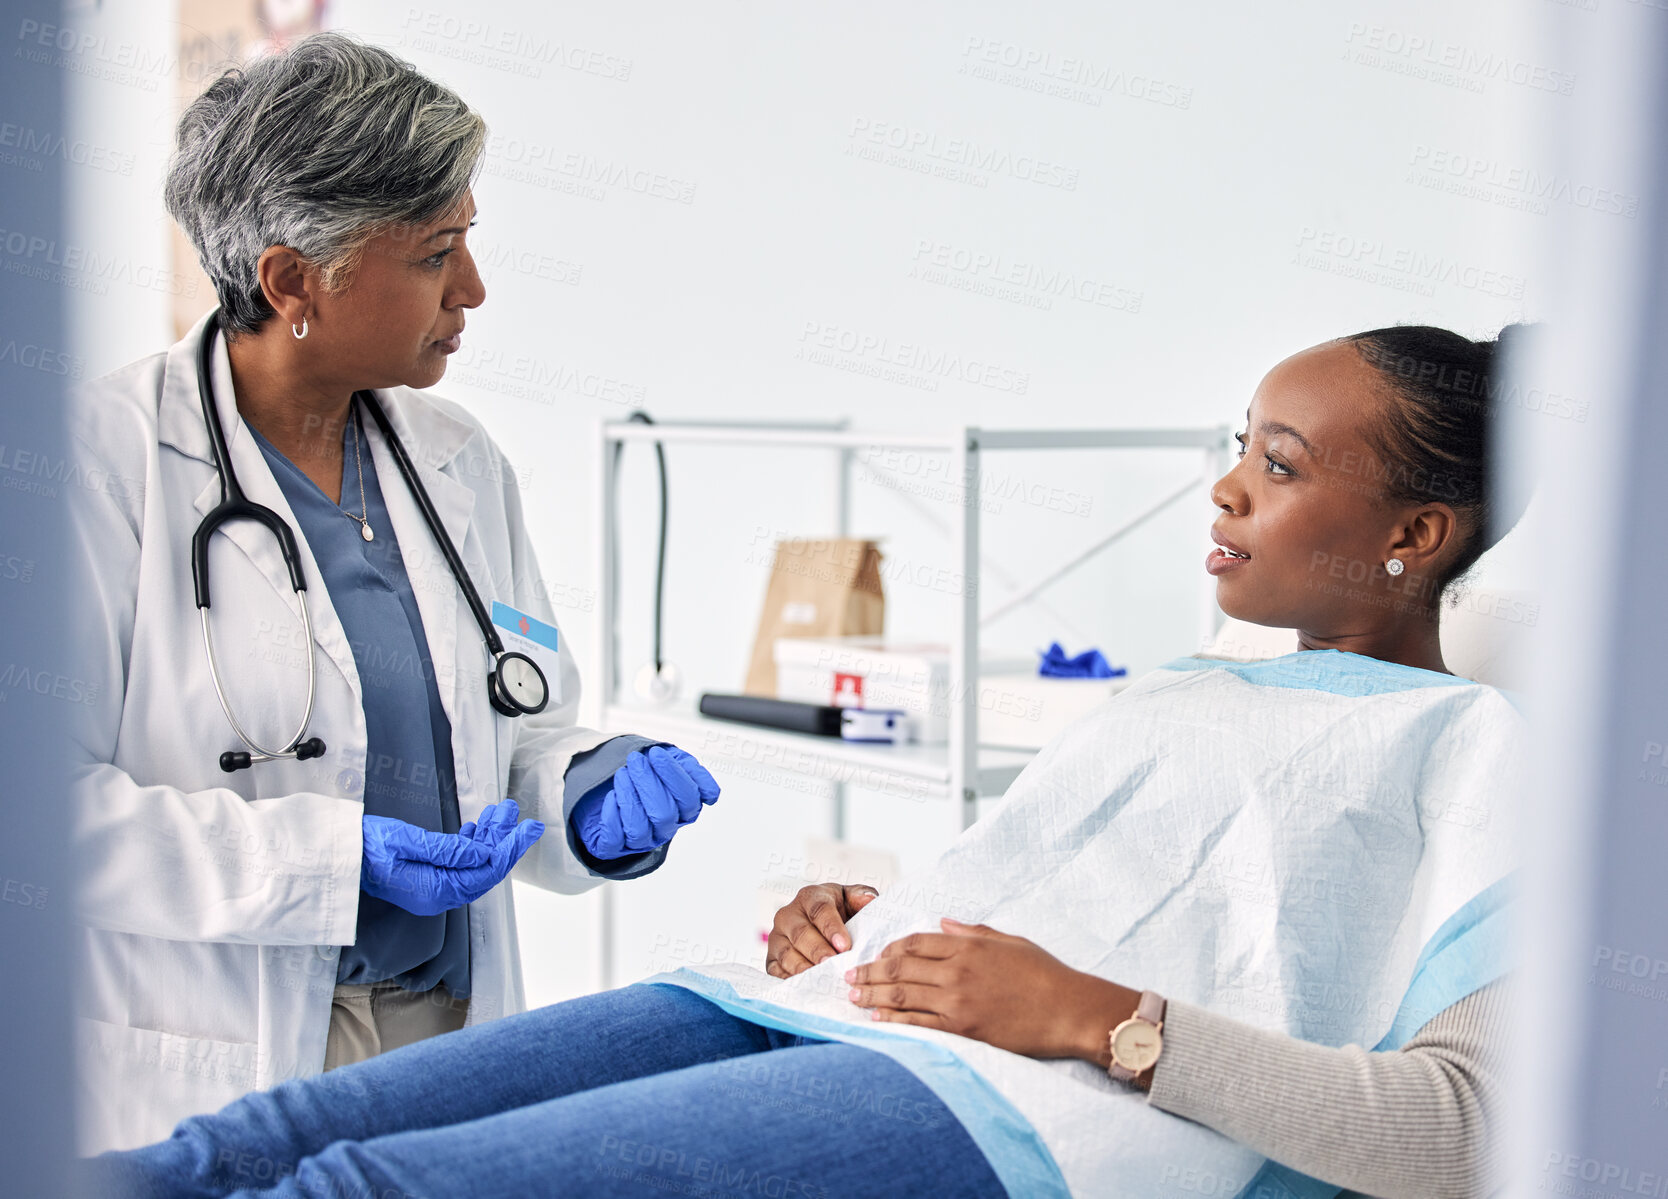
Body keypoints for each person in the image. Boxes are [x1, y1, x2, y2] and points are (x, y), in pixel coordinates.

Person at [84, 323, 1530, 1199]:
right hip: (841, 1010)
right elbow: (1071, 887)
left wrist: (1099, 1014)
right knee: (243, 1143)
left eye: (1278, 463)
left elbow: (1457, 1131)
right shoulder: (1182, 690)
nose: (1224, 484)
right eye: (1238, 445)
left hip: (1037, 1101)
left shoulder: (1484, 744)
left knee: (358, 1186)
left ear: (1415, 536)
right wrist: (876, 924)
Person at [66, 32, 721, 1154]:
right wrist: (331, 858)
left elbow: (522, 733)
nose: (473, 287)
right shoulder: (98, 464)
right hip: (231, 1046)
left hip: (451, 1035)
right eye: (435, 252)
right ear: (291, 280)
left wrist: (586, 790)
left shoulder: (456, 459)